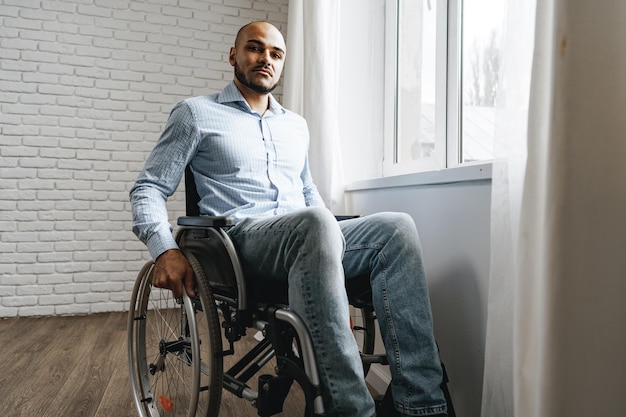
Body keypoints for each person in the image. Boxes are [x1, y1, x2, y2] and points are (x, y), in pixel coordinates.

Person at [130, 21, 447, 417]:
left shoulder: (295, 125)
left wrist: (332, 230)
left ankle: (421, 406)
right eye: (255, 48)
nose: (266, 58)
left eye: (276, 54)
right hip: (241, 243)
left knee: (397, 226)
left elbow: (308, 193)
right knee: (314, 224)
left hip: (306, 234)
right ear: (234, 55)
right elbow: (148, 188)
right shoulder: (196, 113)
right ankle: (349, 410)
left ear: (282, 64)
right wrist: (165, 249)